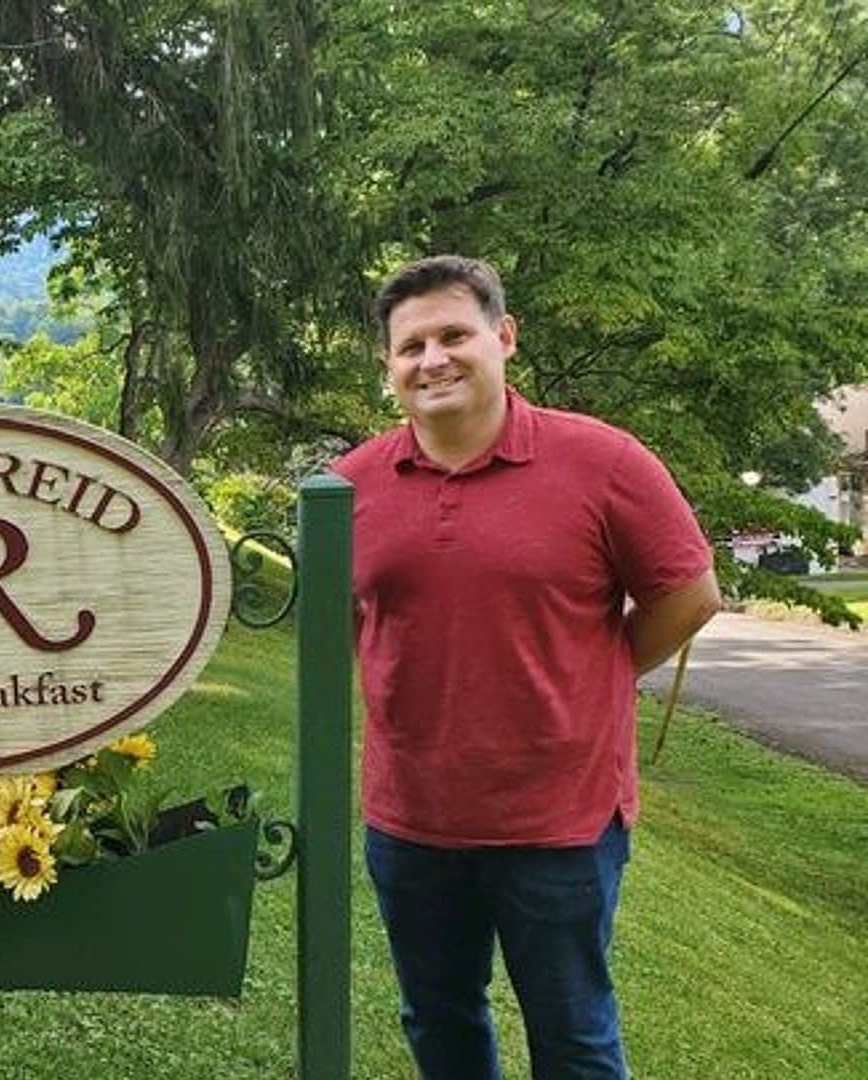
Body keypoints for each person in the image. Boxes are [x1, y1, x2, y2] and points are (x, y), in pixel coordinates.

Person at [333, 255, 720, 1079]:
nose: (432, 359)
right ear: (388, 367)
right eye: (411, 346)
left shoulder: (604, 463)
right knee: (438, 1020)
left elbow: (690, 595)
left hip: (561, 824)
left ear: (503, 338)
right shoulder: (349, 485)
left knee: (574, 1036)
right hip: (411, 821)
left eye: (453, 335)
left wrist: (602, 670)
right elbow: (342, 623)